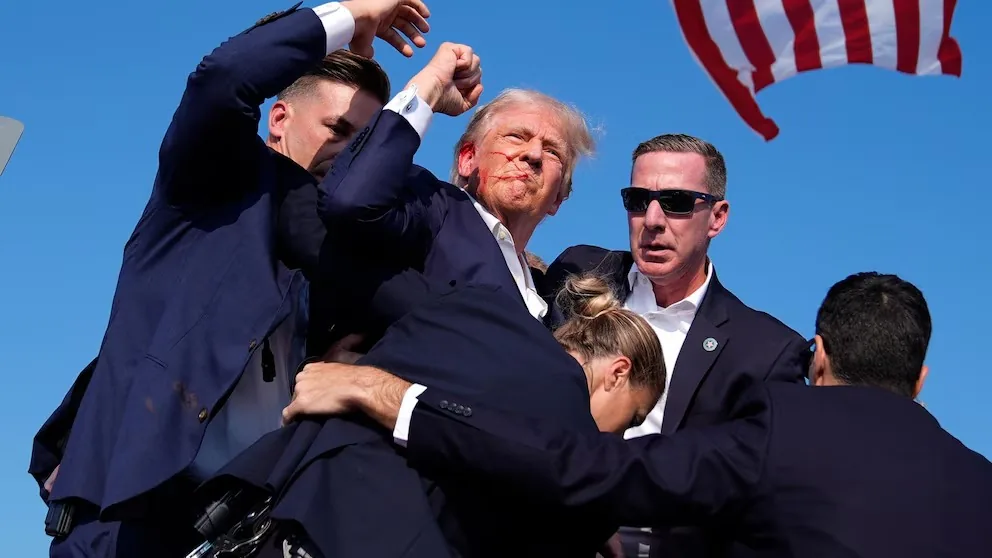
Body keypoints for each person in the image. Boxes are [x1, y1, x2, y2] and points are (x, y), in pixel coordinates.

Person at [27, 2, 433, 556]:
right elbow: (223, 78)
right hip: (129, 514)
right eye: (338, 130)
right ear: (280, 119)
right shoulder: (210, 183)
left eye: (363, 144)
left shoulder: (343, 253)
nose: (348, 156)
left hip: (240, 528)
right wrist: (351, 14)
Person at [287, 271, 992, 558]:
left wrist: (391, 395)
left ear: (818, 356)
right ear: (921, 379)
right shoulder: (979, 485)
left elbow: (587, 469)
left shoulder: (785, 429)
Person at [192, 270, 664, 558]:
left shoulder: (476, 307)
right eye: (630, 418)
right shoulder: (570, 429)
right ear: (618, 372)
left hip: (276, 514)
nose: (616, 437)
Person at [541, 133, 808, 556]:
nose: (652, 219)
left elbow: (766, 500)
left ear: (717, 217)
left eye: (677, 202)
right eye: (637, 199)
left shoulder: (766, 353)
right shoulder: (578, 269)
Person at [317, 53, 595, 322]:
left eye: (552, 152)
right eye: (516, 136)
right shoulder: (432, 207)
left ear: (559, 198)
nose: (533, 154)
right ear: (467, 159)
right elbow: (352, 201)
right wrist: (429, 87)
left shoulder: (548, 302)